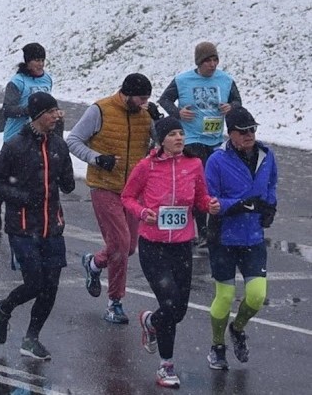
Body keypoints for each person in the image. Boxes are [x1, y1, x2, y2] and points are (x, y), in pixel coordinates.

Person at [121, 116, 219, 389]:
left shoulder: (194, 164)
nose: (179, 138)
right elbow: (127, 197)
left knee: (180, 310)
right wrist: (143, 213)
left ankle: (151, 322)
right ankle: (166, 366)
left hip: (181, 245)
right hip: (153, 244)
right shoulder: (146, 166)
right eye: (173, 134)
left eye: (181, 133)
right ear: (161, 139)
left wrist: (208, 204)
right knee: (170, 303)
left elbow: (200, 197)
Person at [0, 92, 75, 361]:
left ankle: (31, 338)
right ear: (37, 116)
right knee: (35, 283)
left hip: (52, 226)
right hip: (23, 226)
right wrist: (23, 197)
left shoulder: (59, 145)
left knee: (51, 287)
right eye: (51, 112)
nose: (56, 116)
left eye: (57, 112)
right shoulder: (15, 146)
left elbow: (68, 184)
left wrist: (66, 177)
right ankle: (4, 307)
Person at [66, 72, 154, 326]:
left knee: (128, 248)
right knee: (120, 243)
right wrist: (97, 158)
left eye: (147, 99)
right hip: (104, 186)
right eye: (140, 98)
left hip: (134, 190)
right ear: (126, 95)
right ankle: (115, 303)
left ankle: (94, 263)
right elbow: (73, 140)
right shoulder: (100, 110)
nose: (144, 104)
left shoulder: (147, 114)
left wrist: (160, 122)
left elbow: (161, 144)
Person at [204, 107, 278, 372]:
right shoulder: (216, 160)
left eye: (253, 130)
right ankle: (217, 346)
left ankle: (237, 328)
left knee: (257, 296)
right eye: (243, 131)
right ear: (231, 134)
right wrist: (238, 205)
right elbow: (210, 200)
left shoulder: (267, 155)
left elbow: (271, 185)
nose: (249, 135)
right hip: (223, 236)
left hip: (253, 236)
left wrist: (270, 206)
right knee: (224, 297)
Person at [160, 42, 242, 242]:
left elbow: (238, 101)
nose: (212, 65)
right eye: (208, 61)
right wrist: (178, 112)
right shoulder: (182, 80)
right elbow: (164, 100)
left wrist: (231, 107)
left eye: (215, 60)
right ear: (199, 62)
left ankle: (212, 230)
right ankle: (203, 231)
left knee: (214, 185)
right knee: (198, 184)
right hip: (192, 138)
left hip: (215, 140)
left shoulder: (225, 80)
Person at [0, 43, 54, 231]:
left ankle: (29, 209)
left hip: (38, 134)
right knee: (8, 175)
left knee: (32, 173)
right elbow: (8, 110)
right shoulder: (17, 82)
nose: (40, 64)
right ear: (27, 62)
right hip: (16, 135)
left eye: (42, 60)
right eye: (36, 60)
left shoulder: (47, 79)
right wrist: (30, 110)